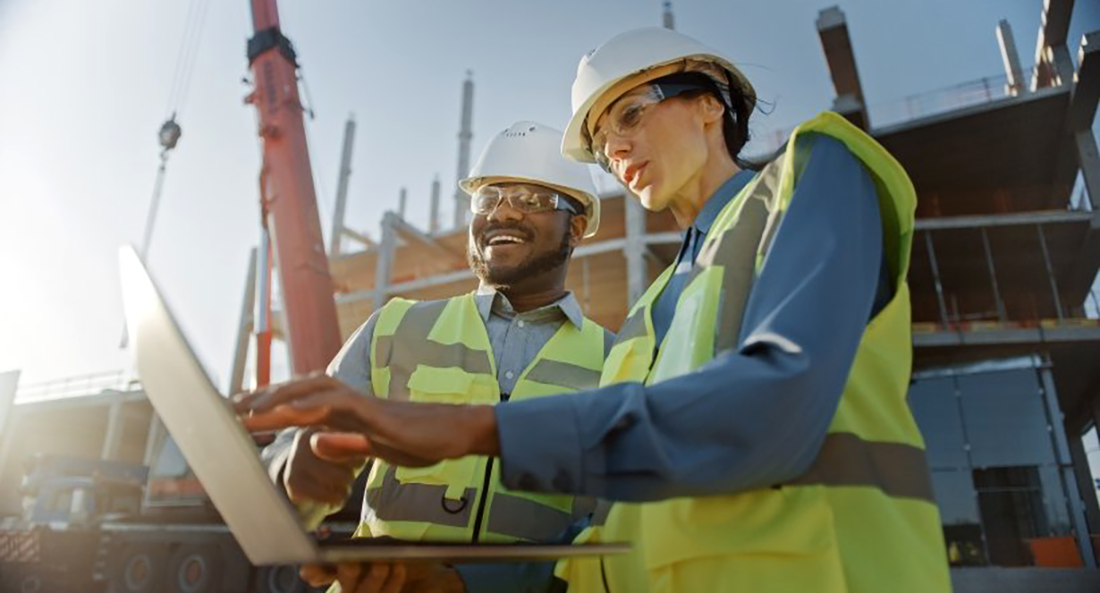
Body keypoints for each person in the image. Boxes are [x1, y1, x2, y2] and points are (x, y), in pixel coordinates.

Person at [241, 27, 951, 593]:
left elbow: (774, 407)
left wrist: (464, 427)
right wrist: (454, 580)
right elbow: (601, 532)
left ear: (710, 102)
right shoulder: (646, 321)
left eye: (632, 114)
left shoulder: (813, 174)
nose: (617, 147)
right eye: (605, 142)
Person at [258, 121, 614, 593]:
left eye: (531, 200)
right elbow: (291, 451)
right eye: (488, 200)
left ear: (578, 226)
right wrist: (292, 470)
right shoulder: (395, 328)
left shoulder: (618, 362)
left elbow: (613, 530)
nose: (502, 214)